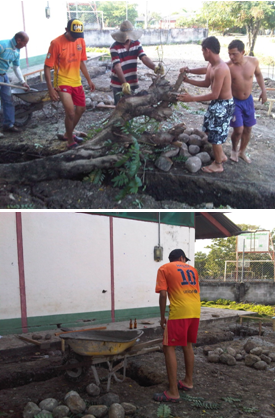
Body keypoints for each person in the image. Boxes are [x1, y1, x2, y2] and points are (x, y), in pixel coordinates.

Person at [183, 39, 267, 164]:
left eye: (234, 54)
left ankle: (241, 152)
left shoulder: (253, 62)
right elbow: (208, 70)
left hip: (247, 100)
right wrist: (189, 72)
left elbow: (259, 75)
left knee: (248, 128)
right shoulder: (227, 66)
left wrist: (263, 90)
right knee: (238, 130)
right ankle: (233, 150)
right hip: (234, 100)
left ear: (243, 52)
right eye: (229, 54)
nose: (231, 57)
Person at [177, 36, 234, 174]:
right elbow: (206, 82)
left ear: (207, 50)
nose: (202, 54)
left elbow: (214, 94)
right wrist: (188, 77)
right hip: (216, 103)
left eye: (203, 51)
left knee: (215, 135)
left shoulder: (221, 68)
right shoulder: (211, 64)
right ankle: (221, 155)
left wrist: (191, 99)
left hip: (223, 104)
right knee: (209, 130)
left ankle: (218, 164)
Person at [153, 249, 200, 403]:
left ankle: (173, 392)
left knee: (168, 347)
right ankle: (188, 382)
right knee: (187, 345)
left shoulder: (164, 268)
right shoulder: (193, 270)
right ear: (181, 258)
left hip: (180, 311)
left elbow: (163, 294)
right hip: (195, 310)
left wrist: (162, 317)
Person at [44, 19, 95, 149]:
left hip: (76, 81)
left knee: (81, 109)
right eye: (73, 35)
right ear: (66, 30)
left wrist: (89, 80)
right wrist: (50, 89)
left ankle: (68, 133)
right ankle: (70, 140)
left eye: (78, 36)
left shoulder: (80, 41)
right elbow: (47, 67)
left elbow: (82, 62)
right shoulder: (56, 43)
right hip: (62, 81)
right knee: (71, 113)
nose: (75, 39)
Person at [110, 20, 164, 105]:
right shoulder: (114, 47)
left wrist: (154, 67)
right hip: (118, 83)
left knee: (131, 107)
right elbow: (117, 66)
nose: (127, 39)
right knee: (119, 107)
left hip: (132, 81)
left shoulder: (136, 43)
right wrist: (124, 83)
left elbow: (144, 57)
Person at [0, 31, 30, 133]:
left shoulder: (16, 50)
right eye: (24, 43)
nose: (25, 46)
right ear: (18, 40)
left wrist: (22, 82)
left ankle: (8, 124)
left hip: (3, 76)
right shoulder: (2, 45)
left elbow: (16, 67)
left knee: (8, 100)